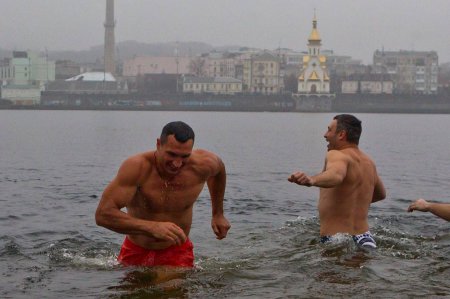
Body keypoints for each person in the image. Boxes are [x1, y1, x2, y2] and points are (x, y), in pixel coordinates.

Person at [95, 121, 231, 268]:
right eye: (171, 154)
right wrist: (152, 227)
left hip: (176, 250)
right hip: (135, 249)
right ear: (159, 144)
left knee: (168, 288)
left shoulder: (204, 164)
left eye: (184, 156)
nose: (177, 163)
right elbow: (103, 214)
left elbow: (219, 171)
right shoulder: (137, 168)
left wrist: (218, 214)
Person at [288, 114, 386, 248]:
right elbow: (381, 194)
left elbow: (336, 175)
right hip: (366, 238)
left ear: (341, 135)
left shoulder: (336, 154)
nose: (325, 135)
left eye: (329, 130)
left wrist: (312, 180)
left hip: (336, 239)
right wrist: (352, 200)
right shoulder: (369, 162)